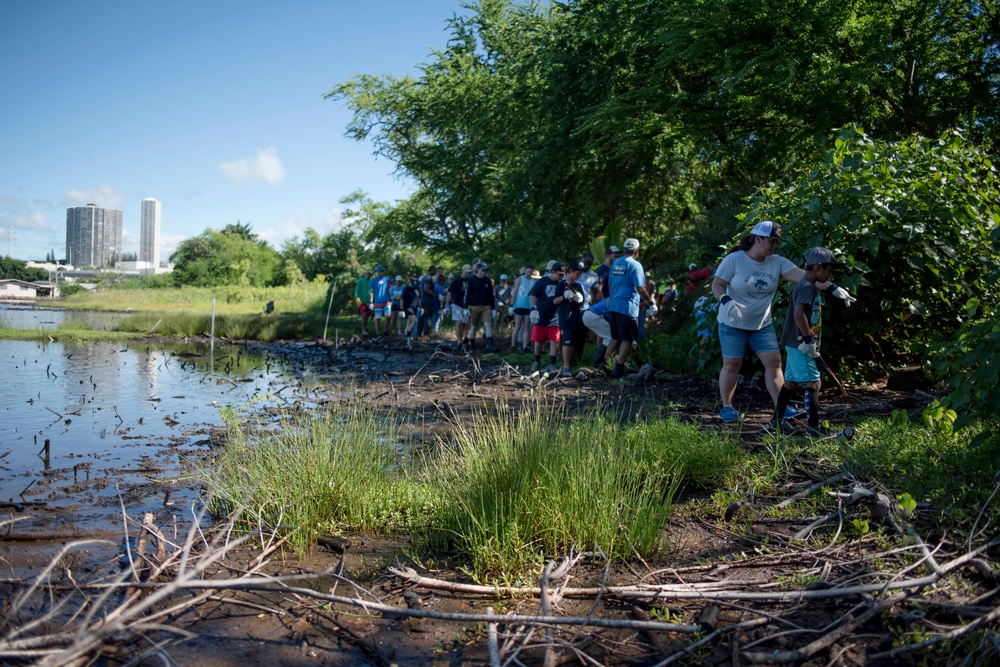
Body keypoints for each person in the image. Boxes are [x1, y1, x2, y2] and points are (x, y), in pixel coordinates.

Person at [712, 220, 857, 423]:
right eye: (771, 241)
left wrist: (833, 287)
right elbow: (717, 284)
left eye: (776, 242)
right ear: (758, 239)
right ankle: (727, 408)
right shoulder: (735, 260)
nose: (774, 246)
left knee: (774, 362)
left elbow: (806, 276)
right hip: (732, 322)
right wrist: (726, 300)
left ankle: (781, 407)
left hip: (761, 324)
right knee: (732, 364)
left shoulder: (777, 262)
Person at [770, 247, 848, 437]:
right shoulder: (807, 287)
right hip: (800, 342)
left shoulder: (807, 285)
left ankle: (777, 422)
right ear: (819, 267)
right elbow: (799, 314)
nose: (830, 275)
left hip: (795, 341)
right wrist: (807, 339)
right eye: (829, 271)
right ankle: (813, 427)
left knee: (790, 382)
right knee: (813, 382)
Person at [607, 238, 654, 379]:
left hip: (614, 305)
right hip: (627, 307)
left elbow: (610, 285)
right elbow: (640, 287)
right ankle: (619, 370)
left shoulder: (616, 263)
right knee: (627, 339)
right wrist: (650, 303)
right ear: (637, 251)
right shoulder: (635, 265)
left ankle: (604, 366)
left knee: (615, 337)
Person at [529, 262, 564, 374]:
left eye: (563, 274)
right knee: (539, 340)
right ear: (553, 272)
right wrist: (534, 308)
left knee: (555, 340)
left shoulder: (563, 283)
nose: (561, 276)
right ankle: (536, 361)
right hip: (541, 316)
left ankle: (552, 364)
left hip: (556, 316)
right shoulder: (542, 282)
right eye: (559, 274)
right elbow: (533, 295)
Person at [554, 259, 587, 377]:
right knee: (567, 341)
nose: (579, 276)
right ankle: (566, 367)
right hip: (565, 317)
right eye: (577, 273)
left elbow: (582, 303)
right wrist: (564, 296)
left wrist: (580, 299)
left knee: (574, 341)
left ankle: (570, 364)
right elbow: (555, 301)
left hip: (576, 317)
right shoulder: (561, 285)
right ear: (571, 271)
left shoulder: (578, 286)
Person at [467, 262, 497, 351]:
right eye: (484, 270)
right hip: (474, 306)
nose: (485, 272)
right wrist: (466, 307)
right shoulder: (472, 280)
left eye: (486, 270)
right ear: (479, 270)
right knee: (473, 326)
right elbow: (467, 294)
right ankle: (472, 346)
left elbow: (491, 295)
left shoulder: (487, 280)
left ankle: (490, 345)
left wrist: (493, 308)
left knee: (488, 324)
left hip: (486, 306)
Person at [583, 297, 619, 370]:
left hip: (589, 314)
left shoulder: (615, 297)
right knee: (613, 337)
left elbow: (600, 337)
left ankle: (600, 363)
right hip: (594, 316)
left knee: (608, 337)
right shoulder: (618, 301)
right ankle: (600, 364)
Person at [510, 264, 536, 352]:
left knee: (526, 327)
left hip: (528, 306)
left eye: (530, 272)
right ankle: (513, 345)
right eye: (527, 272)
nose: (529, 273)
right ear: (525, 271)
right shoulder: (520, 279)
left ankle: (525, 346)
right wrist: (511, 305)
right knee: (517, 326)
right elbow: (515, 292)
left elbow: (534, 294)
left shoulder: (533, 281)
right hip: (519, 305)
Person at [447, 264, 471, 344]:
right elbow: (449, 292)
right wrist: (447, 305)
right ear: (462, 271)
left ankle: (464, 337)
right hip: (456, 304)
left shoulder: (470, 281)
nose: (467, 274)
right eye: (466, 272)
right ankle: (459, 341)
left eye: (469, 272)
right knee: (458, 322)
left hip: (466, 306)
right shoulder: (457, 281)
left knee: (465, 323)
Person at [370, 265, 392, 336]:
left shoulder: (387, 279)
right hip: (377, 301)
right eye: (379, 271)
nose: (380, 273)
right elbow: (372, 291)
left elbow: (388, 289)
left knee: (388, 316)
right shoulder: (373, 280)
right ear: (376, 272)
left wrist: (390, 299)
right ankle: (377, 333)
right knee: (377, 318)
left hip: (386, 300)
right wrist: (371, 302)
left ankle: (385, 331)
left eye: (382, 271)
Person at [417, 265, 437, 337]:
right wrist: (435, 295)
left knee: (422, 317)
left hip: (423, 300)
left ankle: (418, 333)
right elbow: (426, 290)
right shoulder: (428, 278)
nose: (436, 272)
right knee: (428, 318)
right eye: (435, 271)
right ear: (431, 270)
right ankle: (426, 334)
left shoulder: (424, 277)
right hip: (427, 301)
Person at [400, 275, 420, 350]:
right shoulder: (406, 289)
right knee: (415, 321)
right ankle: (408, 336)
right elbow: (402, 300)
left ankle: (406, 337)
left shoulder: (416, 288)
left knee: (409, 323)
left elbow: (418, 298)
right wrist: (402, 310)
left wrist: (420, 307)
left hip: (414, 307)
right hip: (407, 307)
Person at [354, 269, 373, 337]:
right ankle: (363, 330)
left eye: (370, 274)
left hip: (369, 302)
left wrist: (371, 301)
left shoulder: (371, 282)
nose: (369, 275)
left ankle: (364, 329)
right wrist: (357, 298)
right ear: (366, 273)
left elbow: (372, 291)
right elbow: (357, 290)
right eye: (368, 274)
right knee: (364, 315)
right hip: (362, 301)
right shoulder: (360, 280)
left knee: (367, 316)